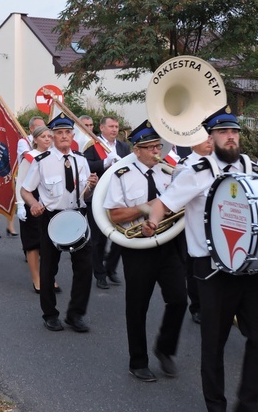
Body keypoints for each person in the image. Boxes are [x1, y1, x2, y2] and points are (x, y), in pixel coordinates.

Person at [143, 106, 258, 412]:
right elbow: (163, 202)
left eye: (235, 132)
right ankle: (216, 405)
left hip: (250, 268)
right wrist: (152, 223)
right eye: (224, 132)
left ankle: (248, 403)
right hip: (212, 271)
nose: (231, 138)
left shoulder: (252, 169)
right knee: (214, 344)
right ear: (211, 138)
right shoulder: (196, 172)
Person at [103, 120, 187, 382]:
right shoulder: (122, 174)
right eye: (150, 148)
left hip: (167, 244)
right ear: (136, 150)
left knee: (179, 299)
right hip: (137, 248)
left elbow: (178, 206)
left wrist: (161, 214)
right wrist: (144, 209)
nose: (156, 152)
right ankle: (137, 361)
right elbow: (115, 214)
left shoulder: (168, 172)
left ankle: (164, 348)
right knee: (137, 306)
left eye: (157, 146)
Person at [20, 112, 98, 333]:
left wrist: (91, 186)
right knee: (49, 268)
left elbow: (86, 195)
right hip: (51, 218)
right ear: (52, 136)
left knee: (85, 267)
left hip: (77, 217)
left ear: (73, 135)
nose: (64, 136)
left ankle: (76, 314)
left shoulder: (81, 160)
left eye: (67, 132)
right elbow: (26, 190)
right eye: (59, 133)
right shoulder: (42, 162)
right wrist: (33, 203)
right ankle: (50, 314)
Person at [84, 115, 130, 289]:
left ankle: (111, 267)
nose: (115, 129)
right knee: (98, 238)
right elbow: (85, 165)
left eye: (117, 126)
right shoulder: (93, 146)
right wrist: (104, 163)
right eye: (111, 126)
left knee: (121, 236)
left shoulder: (124, 147)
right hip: (98, 197)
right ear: (102, 128)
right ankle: (100, 274)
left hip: (119, 197)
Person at [175, 134, 214, 325]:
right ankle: (197, 306)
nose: (209, 140)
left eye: (211, 136)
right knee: (193, 267)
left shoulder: (219, 163)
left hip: (217, 227)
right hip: (193, 226)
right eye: (204, 137)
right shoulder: (184, 166)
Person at [15, 125, 55, 292]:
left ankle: (49, 277)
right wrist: (20, 205)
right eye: (43, 136)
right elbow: (20, 183)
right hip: (32, 201)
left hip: (50, 202)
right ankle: (36, 278)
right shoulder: (29, 158)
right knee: (34, 243)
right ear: (35, 139)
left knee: (50, 243)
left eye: (49, 136)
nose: (47, 139)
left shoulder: (55, 156)